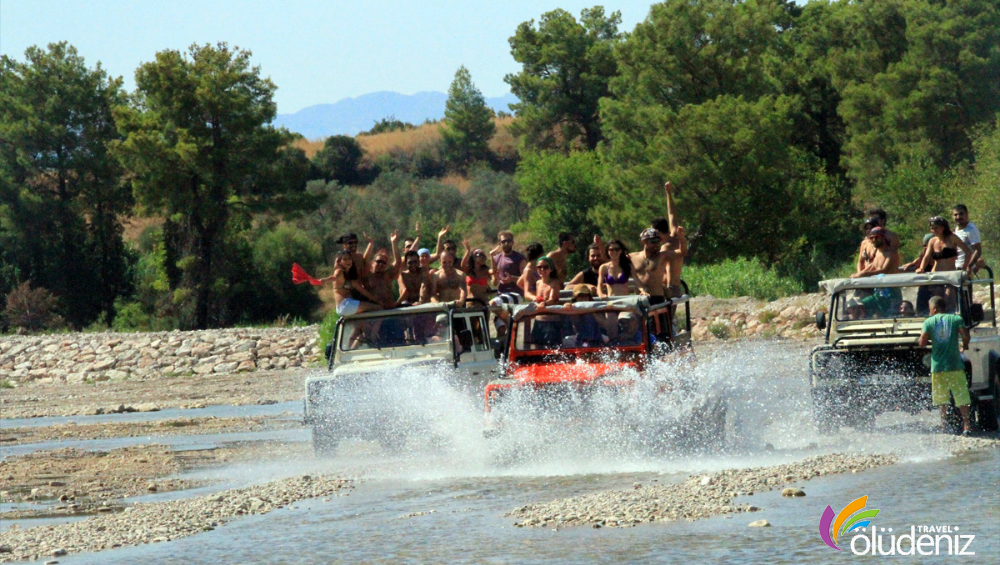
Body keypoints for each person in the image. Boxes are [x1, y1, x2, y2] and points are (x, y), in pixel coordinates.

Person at [918, 296, 973, 435]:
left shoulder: (928, 322)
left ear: (935, 308)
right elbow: (966, 335)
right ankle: (966, 426)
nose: (930, 312)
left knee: (941, 398)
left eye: (930, 309)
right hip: (955, 364)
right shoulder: (956, 319)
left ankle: (944, 426)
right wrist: (964, 344)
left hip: (937, 366)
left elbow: (922, 342)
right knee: (961, 395)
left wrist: (930, 337)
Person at [653, 181, 688, 298]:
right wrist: (668, 193)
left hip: (670, 289)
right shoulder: (675, 235)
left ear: (658, 232)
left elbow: (667, 271)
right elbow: (671, 214)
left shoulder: (665, 247)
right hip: (676, 287)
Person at [630, 228, 678, 305]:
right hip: (640, 298)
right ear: (644, 241)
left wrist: (681, 237)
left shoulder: (661, 256)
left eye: (658, 242)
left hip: (657, 297)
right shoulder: (632, 257)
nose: (656, 245)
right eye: (653, 242)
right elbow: (613, 262)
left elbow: (682, 252)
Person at [328, 250, 382, 317]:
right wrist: (323, 280)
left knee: (366, 315)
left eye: (349, 259)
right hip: (346, 305)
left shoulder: (349, 277)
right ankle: (375, 328)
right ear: (340, 262)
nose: (348, 261)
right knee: (379, 308)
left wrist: (376, 300)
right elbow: (334, 277)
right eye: (345, 259)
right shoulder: (339, 272)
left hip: (344, 307)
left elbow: (363, 291)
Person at [493, 230, 527, 296]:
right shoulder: (496, 259)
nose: (506, 243)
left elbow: (526, 279)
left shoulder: (520, 258)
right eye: (503, 241)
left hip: (517, 294)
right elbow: (494, 283)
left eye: (508, 241)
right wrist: (495, 278)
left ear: (512, 242)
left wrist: (512, 279)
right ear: (500, 244)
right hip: (501, 294)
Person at [461, 240, 495, 306]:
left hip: (483, 302)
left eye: (483, 255)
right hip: (470, 302)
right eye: (480, 255)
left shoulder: (485, 270)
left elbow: (493, 271)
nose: (482, 257)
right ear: (473, 258)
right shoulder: (469, 271)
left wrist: (491, 256)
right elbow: (463, 265)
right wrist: (468, 251)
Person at [952, 204, 983, 273]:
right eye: (955, 215)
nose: (958, 217)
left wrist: (969, 266)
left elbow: (978, 250)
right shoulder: (956, 230)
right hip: (956, 267)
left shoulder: (971, 230)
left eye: (961, 214)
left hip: (965, 268)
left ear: (967, 214)